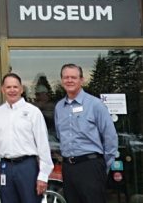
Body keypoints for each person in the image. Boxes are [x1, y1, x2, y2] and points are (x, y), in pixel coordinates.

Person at [0, 73, 53, 203]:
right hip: (5, 167)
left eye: (15, 86)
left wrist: (43, 175)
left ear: (21, 89)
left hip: (27, 167)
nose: (12, 90)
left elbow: (43, 145)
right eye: (8, 87)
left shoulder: (33, 112)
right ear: (2, 89)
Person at [55, 63, 118, 203]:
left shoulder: (95, 105)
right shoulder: (59, 107)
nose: (69, 80)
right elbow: (60, 135)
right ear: (61, 80)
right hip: (68, 168)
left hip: (90, 166)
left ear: (81, 80)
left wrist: (101, 166)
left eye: (73, 77)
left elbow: (110, 138)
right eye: (66, 77)